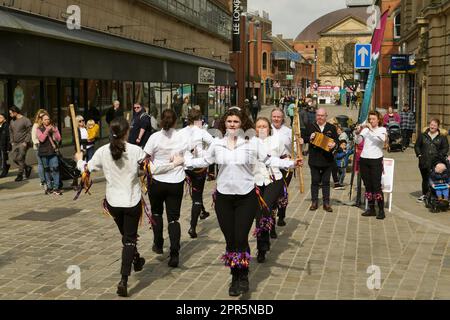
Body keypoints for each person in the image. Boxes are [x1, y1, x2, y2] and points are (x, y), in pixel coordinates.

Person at [184, 108, 302, 297]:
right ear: (224, 124)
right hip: (223, 198)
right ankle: (234, 275)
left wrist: (290, 163)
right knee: (230, 241)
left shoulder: (252, 143)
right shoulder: (217, 143)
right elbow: (205, 161)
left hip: (246, 197)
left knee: (241, 238)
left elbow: (269, 160)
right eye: (229, 121)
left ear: (242, 124)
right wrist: (184, 160)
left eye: (236, 122)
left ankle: (243, 276)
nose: (232, 125)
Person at [75, 118, 184, 297]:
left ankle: (136, 259)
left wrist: (79, 160)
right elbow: (153, 170)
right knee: (129, 240)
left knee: (126, 237)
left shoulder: (103, 151)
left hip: (113, 203)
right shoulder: (135, 151)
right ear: (126, 133)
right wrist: (175, 164)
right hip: (131, 202)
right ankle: (124, 279)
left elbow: (86, 169)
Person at [143, 109, 189, 268]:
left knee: (156, 212)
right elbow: (188, 154)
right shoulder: (181, 136)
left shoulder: (154, 137)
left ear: (160, 120)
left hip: (157, 181)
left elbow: (145, 157)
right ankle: (174, 253)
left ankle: (158, 242)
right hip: (176, 181)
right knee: (174, 218)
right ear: (175, 121)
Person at [254, 117, 292, 263]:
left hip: (273, 180)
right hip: (257, 181)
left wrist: (291, 161)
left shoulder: (276, 140)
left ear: (269, 128)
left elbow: (285, 156)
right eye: (259, 126)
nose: (262, 129)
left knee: (266, 208)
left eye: (264, 126)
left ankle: (264, 242)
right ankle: (262, 247)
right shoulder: (250, 143)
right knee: (259, 215)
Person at [178, 109, 214, 239]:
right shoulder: (202, 132)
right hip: (198, 166)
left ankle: (202, 211)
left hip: (185, 165)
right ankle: (193, 227)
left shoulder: (180, 132)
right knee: (197, 195)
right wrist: (205, 154)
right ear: (198, 119)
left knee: (194, 190)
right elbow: (213, 144)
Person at [355, 111, 387, 219]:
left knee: (376, 185)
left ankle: (381, 210)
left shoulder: (382, 130)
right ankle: (371, 208)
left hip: (376, 159)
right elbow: (358, 141)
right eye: (370, 119)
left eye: (373, 119)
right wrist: (357, 132)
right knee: (367, 185)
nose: (371, 121)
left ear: (378, 120)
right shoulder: (365, 130)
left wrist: (371, 129)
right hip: (364, 159)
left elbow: (383, 139)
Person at [305, 108, 339, 212]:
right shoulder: (311, 126)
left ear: (326, 116)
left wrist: (334, 144)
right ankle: (314, 202)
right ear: (316, 116)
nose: (320, 117)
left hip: (327, 160)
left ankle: (326, 203)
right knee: (315, 181)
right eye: (318, 115)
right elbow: (303, 138)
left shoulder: (331, 127)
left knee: (326, 182)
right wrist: (309, 138)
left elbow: (337, 141)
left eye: (322, 115)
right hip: (314, 159)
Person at [414, 119, 449, 203]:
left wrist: (440, 156)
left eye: (434, 125)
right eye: (431, 124)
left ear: (438, 127)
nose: (432, 126)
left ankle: (435, 196)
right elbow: (417, 146)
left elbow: (446, 148)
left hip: (436, 163)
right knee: (425, 179)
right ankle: (425, 194)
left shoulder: (442, 137)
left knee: (435, 179)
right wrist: (419, 155)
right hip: (424, 161)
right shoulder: (423, 135)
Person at [271, 108, 294, 228]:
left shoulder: (288, 131)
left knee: (283, 191)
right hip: (271, 165)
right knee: (272, 193)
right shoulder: (267, 129)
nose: (276, 119)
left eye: (278, 117)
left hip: (285, 165)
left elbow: (295, 148)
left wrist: (298, 143)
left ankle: (282, 215)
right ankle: (272, 218)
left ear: (283, 118)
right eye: (274, 116)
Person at [37, 114, 62, 195]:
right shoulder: (39, 129)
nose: (47, 121)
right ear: (42, 120)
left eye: (48, 119)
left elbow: (58, 139)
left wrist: (55, 131)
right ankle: (49, 187)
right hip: (44, 153)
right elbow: (41, 139)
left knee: (55, 169)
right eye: (45, 119)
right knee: (47, 170)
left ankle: (56, 187)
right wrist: (47, 130)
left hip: (53, 151)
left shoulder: (53, 127)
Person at [9, 106, 32, 182]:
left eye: (11, 113)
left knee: (20, 158)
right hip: (15, 143)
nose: (10, 115)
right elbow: (11, 132)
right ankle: (27, 167)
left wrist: (26, 142)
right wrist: (12, 141)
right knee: (14, 158)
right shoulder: (12, 121)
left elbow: (30, 131)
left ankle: (20, 175)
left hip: (23, 143)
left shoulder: (25, 120)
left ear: (15, 112)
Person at [32, 109, 49, 188]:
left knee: (47, 164)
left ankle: (48, 179)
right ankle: (43, 180)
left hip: (47, 147)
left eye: (44, 115)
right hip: (38, 147)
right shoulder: (36, 125)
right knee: (40, 164)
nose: (42, 117)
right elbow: (33, 137)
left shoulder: (47, 125)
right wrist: (38, 144)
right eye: (41, 116)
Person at [0, 113, 11, 178]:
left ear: (4, 118)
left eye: (1, 117)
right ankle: (6, 167)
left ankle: (4, 172)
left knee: (3, 159)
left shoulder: (6, 125)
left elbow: (8, 136)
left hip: (3, 145)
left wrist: (8, 146)